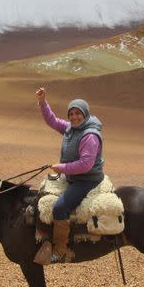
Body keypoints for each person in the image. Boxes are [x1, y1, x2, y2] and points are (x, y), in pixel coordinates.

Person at [34, 87, 105, 264]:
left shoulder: (90, 136)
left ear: (85, 114)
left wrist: (62, 168)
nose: (74, 117)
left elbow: (86, 164)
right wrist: (43, 101)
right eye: (71, 113)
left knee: (59, 208)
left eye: (78, 113)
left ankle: (60, 250)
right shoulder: (71, 128)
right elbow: (52, 121)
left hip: (86, 180)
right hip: (72, 177)